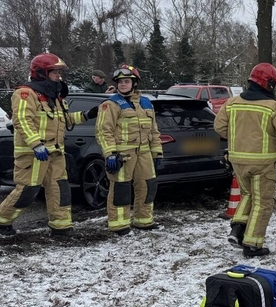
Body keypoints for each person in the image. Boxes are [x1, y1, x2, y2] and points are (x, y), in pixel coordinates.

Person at [0, 54, 97, 237]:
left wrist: (87, 115)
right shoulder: (25, 94)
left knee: (59, 188)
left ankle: (61, 227)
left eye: (59, 72)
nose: (59, 76)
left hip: (54, 152)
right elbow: (22, 120)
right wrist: (36, 144)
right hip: (33, 154)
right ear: (41, 73)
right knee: (28, 190)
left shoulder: (55, 96)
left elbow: (64, 119)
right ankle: (3, 221)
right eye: (55, 72)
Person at [215, 63, 276, 257]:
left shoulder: (232, 103)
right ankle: (252, 244)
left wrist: (240, 139)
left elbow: (219, 128)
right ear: (268, 83)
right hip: (263, 164)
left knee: (247, 195)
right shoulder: (273, 107)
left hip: (237, 160)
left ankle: (237, 230)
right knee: (263, 202)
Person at [95, 65, 164, 234]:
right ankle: (119, 224)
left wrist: (157, 151)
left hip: (144, 153)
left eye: (127, 81)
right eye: (120, 82)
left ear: (135, 83)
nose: (123, 84)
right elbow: (103, 131)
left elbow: (154, 130)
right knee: (121, 189)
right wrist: (110, 153)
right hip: (122, 155)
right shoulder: (110, 104)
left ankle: (144, 220)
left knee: (148, 186)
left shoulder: (146, 103)